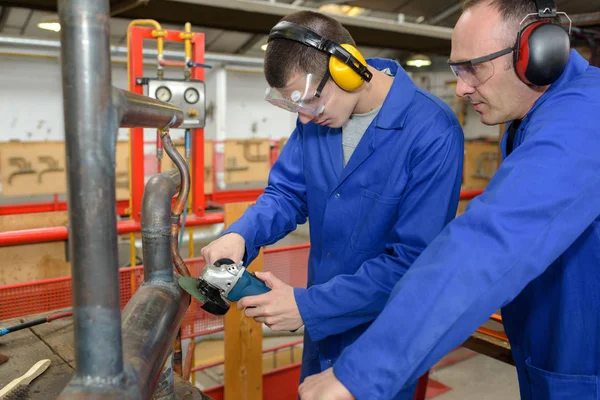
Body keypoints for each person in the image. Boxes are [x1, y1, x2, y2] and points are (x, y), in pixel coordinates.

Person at [297, 0, 600, 399]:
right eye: (458, 69)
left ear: (537, 55)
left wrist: (361, 372)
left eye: (473, 67)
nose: (459, 87)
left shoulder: (583, 120)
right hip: (553, 348)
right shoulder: (527, 118)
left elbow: (490, 241)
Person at [200, 10, 464, 399]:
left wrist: (308, 307)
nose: (307, 116)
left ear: (347, 67)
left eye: (311, 101)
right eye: (297, 108)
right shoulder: (315, 119)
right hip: (322, 331)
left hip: (384, 337)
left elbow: (412, 262)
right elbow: (287, 194)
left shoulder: (432, 131)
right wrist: (241, 234)